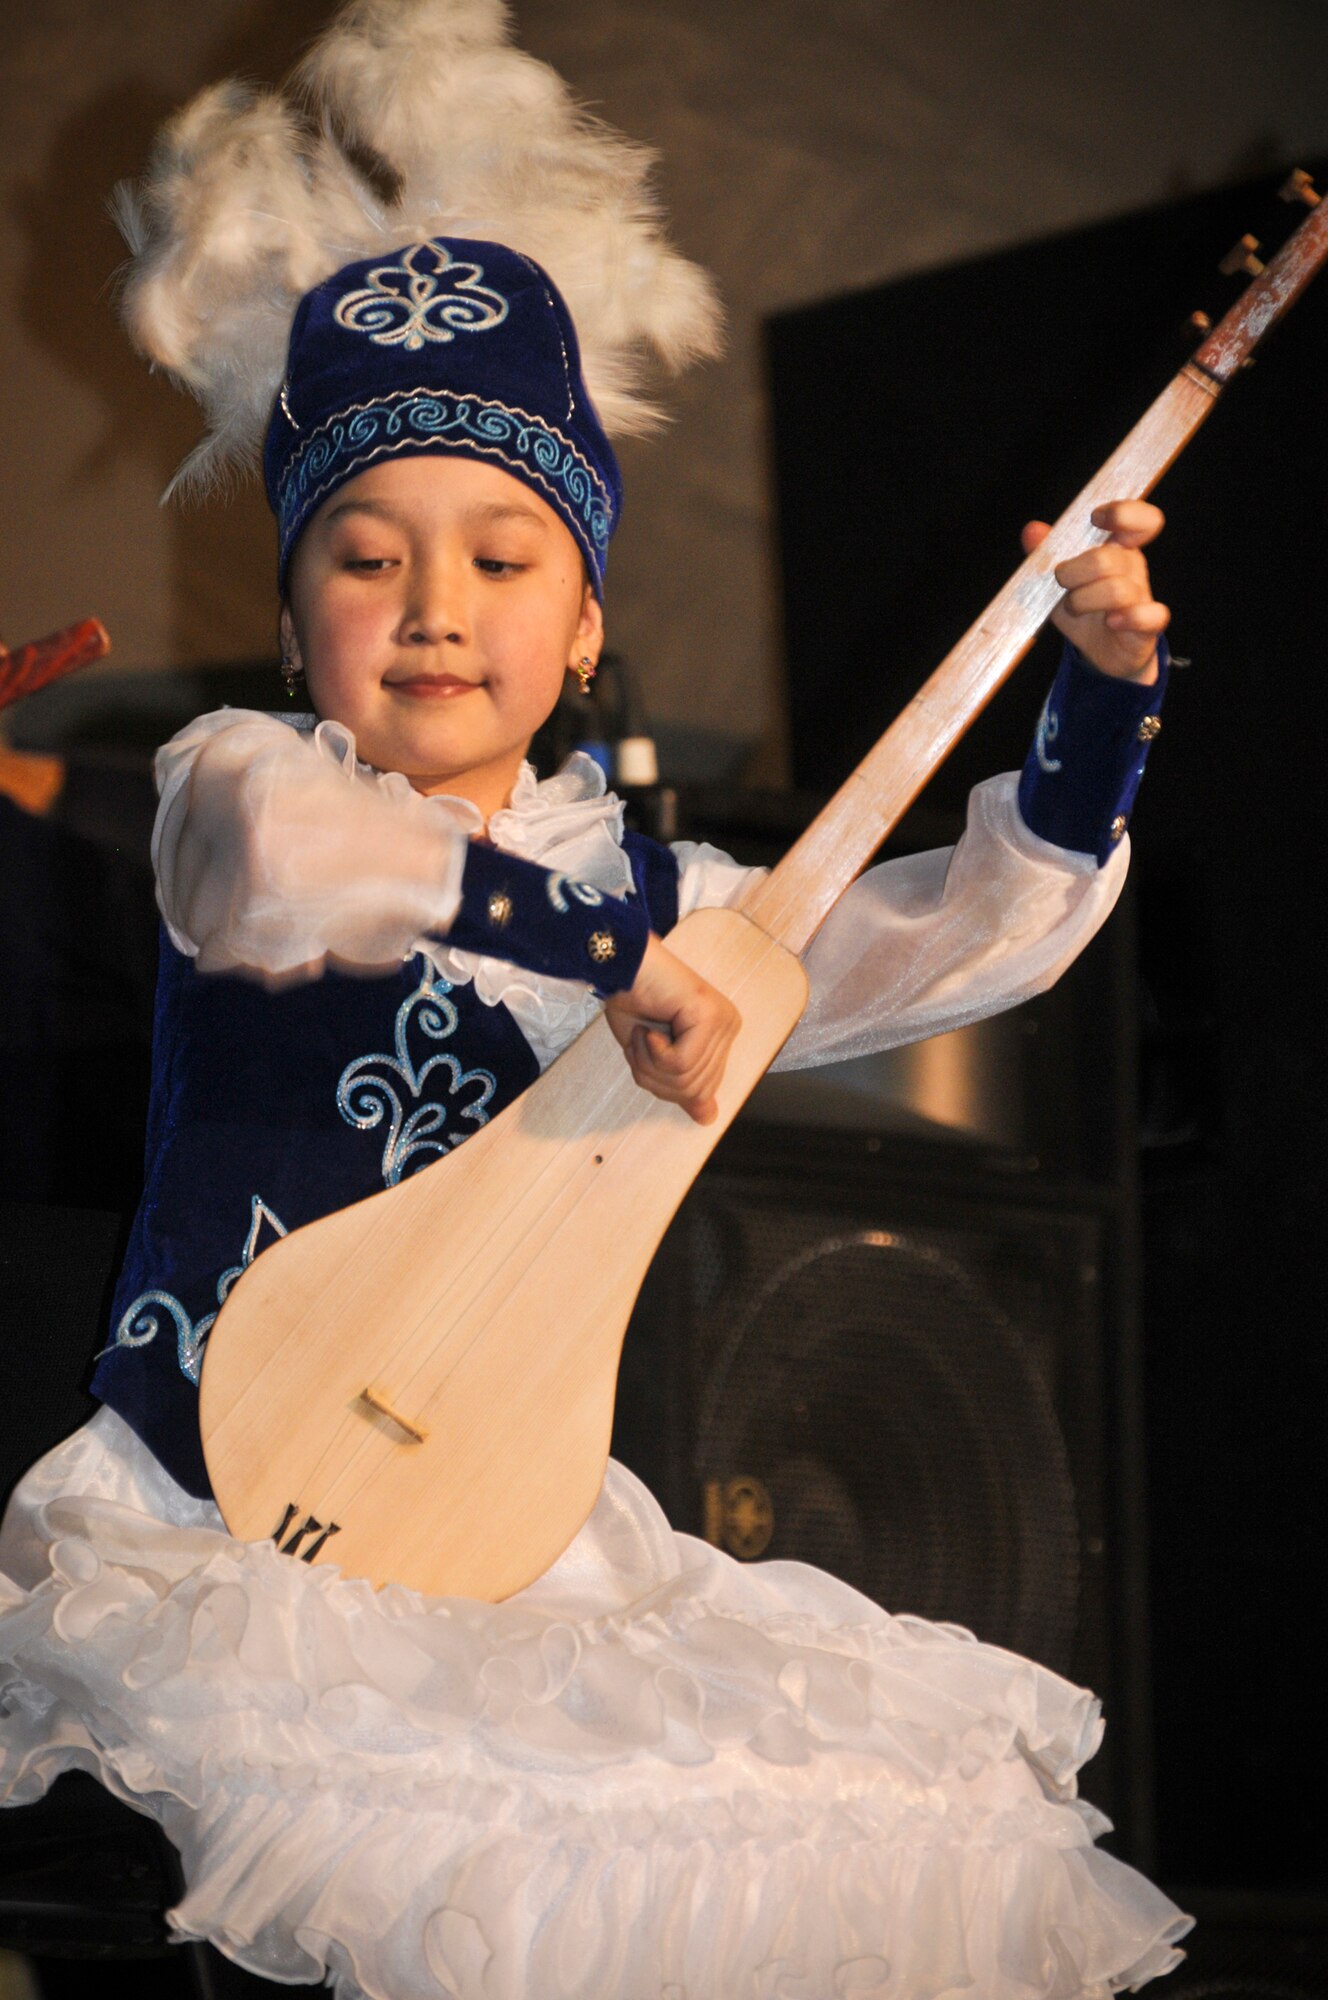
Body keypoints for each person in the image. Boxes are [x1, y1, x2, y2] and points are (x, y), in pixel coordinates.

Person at [1, 4, 1190, 1994]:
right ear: (297, 625)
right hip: (221, 1513)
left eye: (502, 552)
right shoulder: (244, 783)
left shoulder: (673, 904)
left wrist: (1101, 694)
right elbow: (306, 868)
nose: (436, 603)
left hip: (504, 1528)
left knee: (839, 1816)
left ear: (585, 622)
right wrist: (604, 956)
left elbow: (963, 928)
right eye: (366, 559)